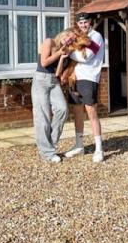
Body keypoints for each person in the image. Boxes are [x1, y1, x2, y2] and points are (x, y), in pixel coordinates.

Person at [59, 12, 107, 163]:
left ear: (90, 22)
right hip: (76, 78)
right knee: (77, 112)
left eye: (85, 22)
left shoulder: (96, 36)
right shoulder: (78, 36)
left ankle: (99, 149)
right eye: (80, 23)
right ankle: (79, 146)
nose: (83, 25)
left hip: (89, 78)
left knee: (91, 113)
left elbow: (86, 57)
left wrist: (68, 53)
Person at [31, 29, 76, 163]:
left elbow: (57, 73)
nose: (69, 39)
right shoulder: (49, 42)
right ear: (63, 33)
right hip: (41, 80)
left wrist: (62, 58)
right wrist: (59, 53)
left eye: (72, 39)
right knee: (43, 117)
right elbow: (44, 63)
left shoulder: (65, 50)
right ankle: (47, 153)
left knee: (62, 109)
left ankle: (50, 143)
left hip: (53, 81)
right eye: (68, 36)